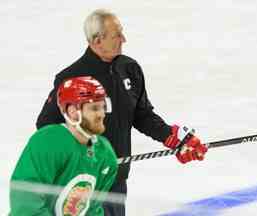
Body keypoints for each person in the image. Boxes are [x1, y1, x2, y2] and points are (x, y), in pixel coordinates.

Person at [36, 9, 208, 216]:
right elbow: (46, 126)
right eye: (116, 35)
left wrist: (172, 137)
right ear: (97, 41)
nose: (123, 39)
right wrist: (79, 153)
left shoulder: (129, 68)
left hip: (115, 178)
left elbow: (141, 114)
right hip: (81, 183)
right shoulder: (72, 78)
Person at [10, 76, 118, 215]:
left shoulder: (105, 153)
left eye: (104, 107)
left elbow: (92, 209)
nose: (102, 114)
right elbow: (26, 203)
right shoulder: (49, 141)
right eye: (95, 108)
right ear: (73, 111)